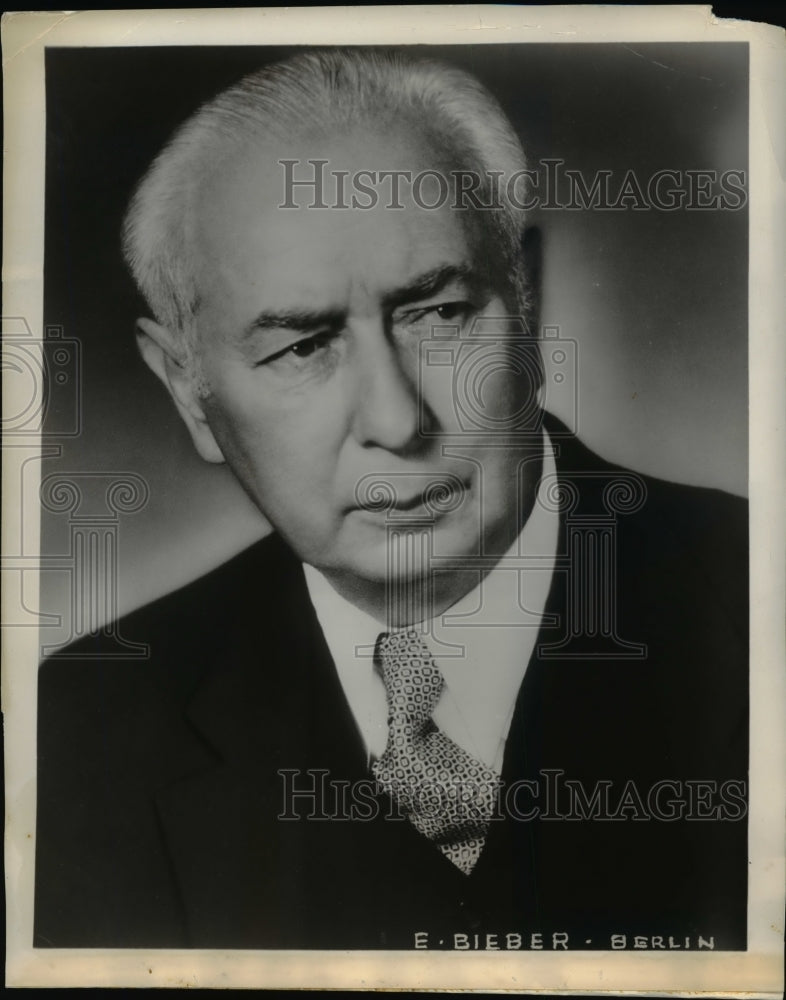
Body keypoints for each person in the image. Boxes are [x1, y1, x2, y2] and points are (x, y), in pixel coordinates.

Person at [34, 48, 748, 951]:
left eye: (438, 313)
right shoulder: (81, 733)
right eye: (302, 348)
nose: (395, 419)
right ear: (186, 389)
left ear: (526, 305)